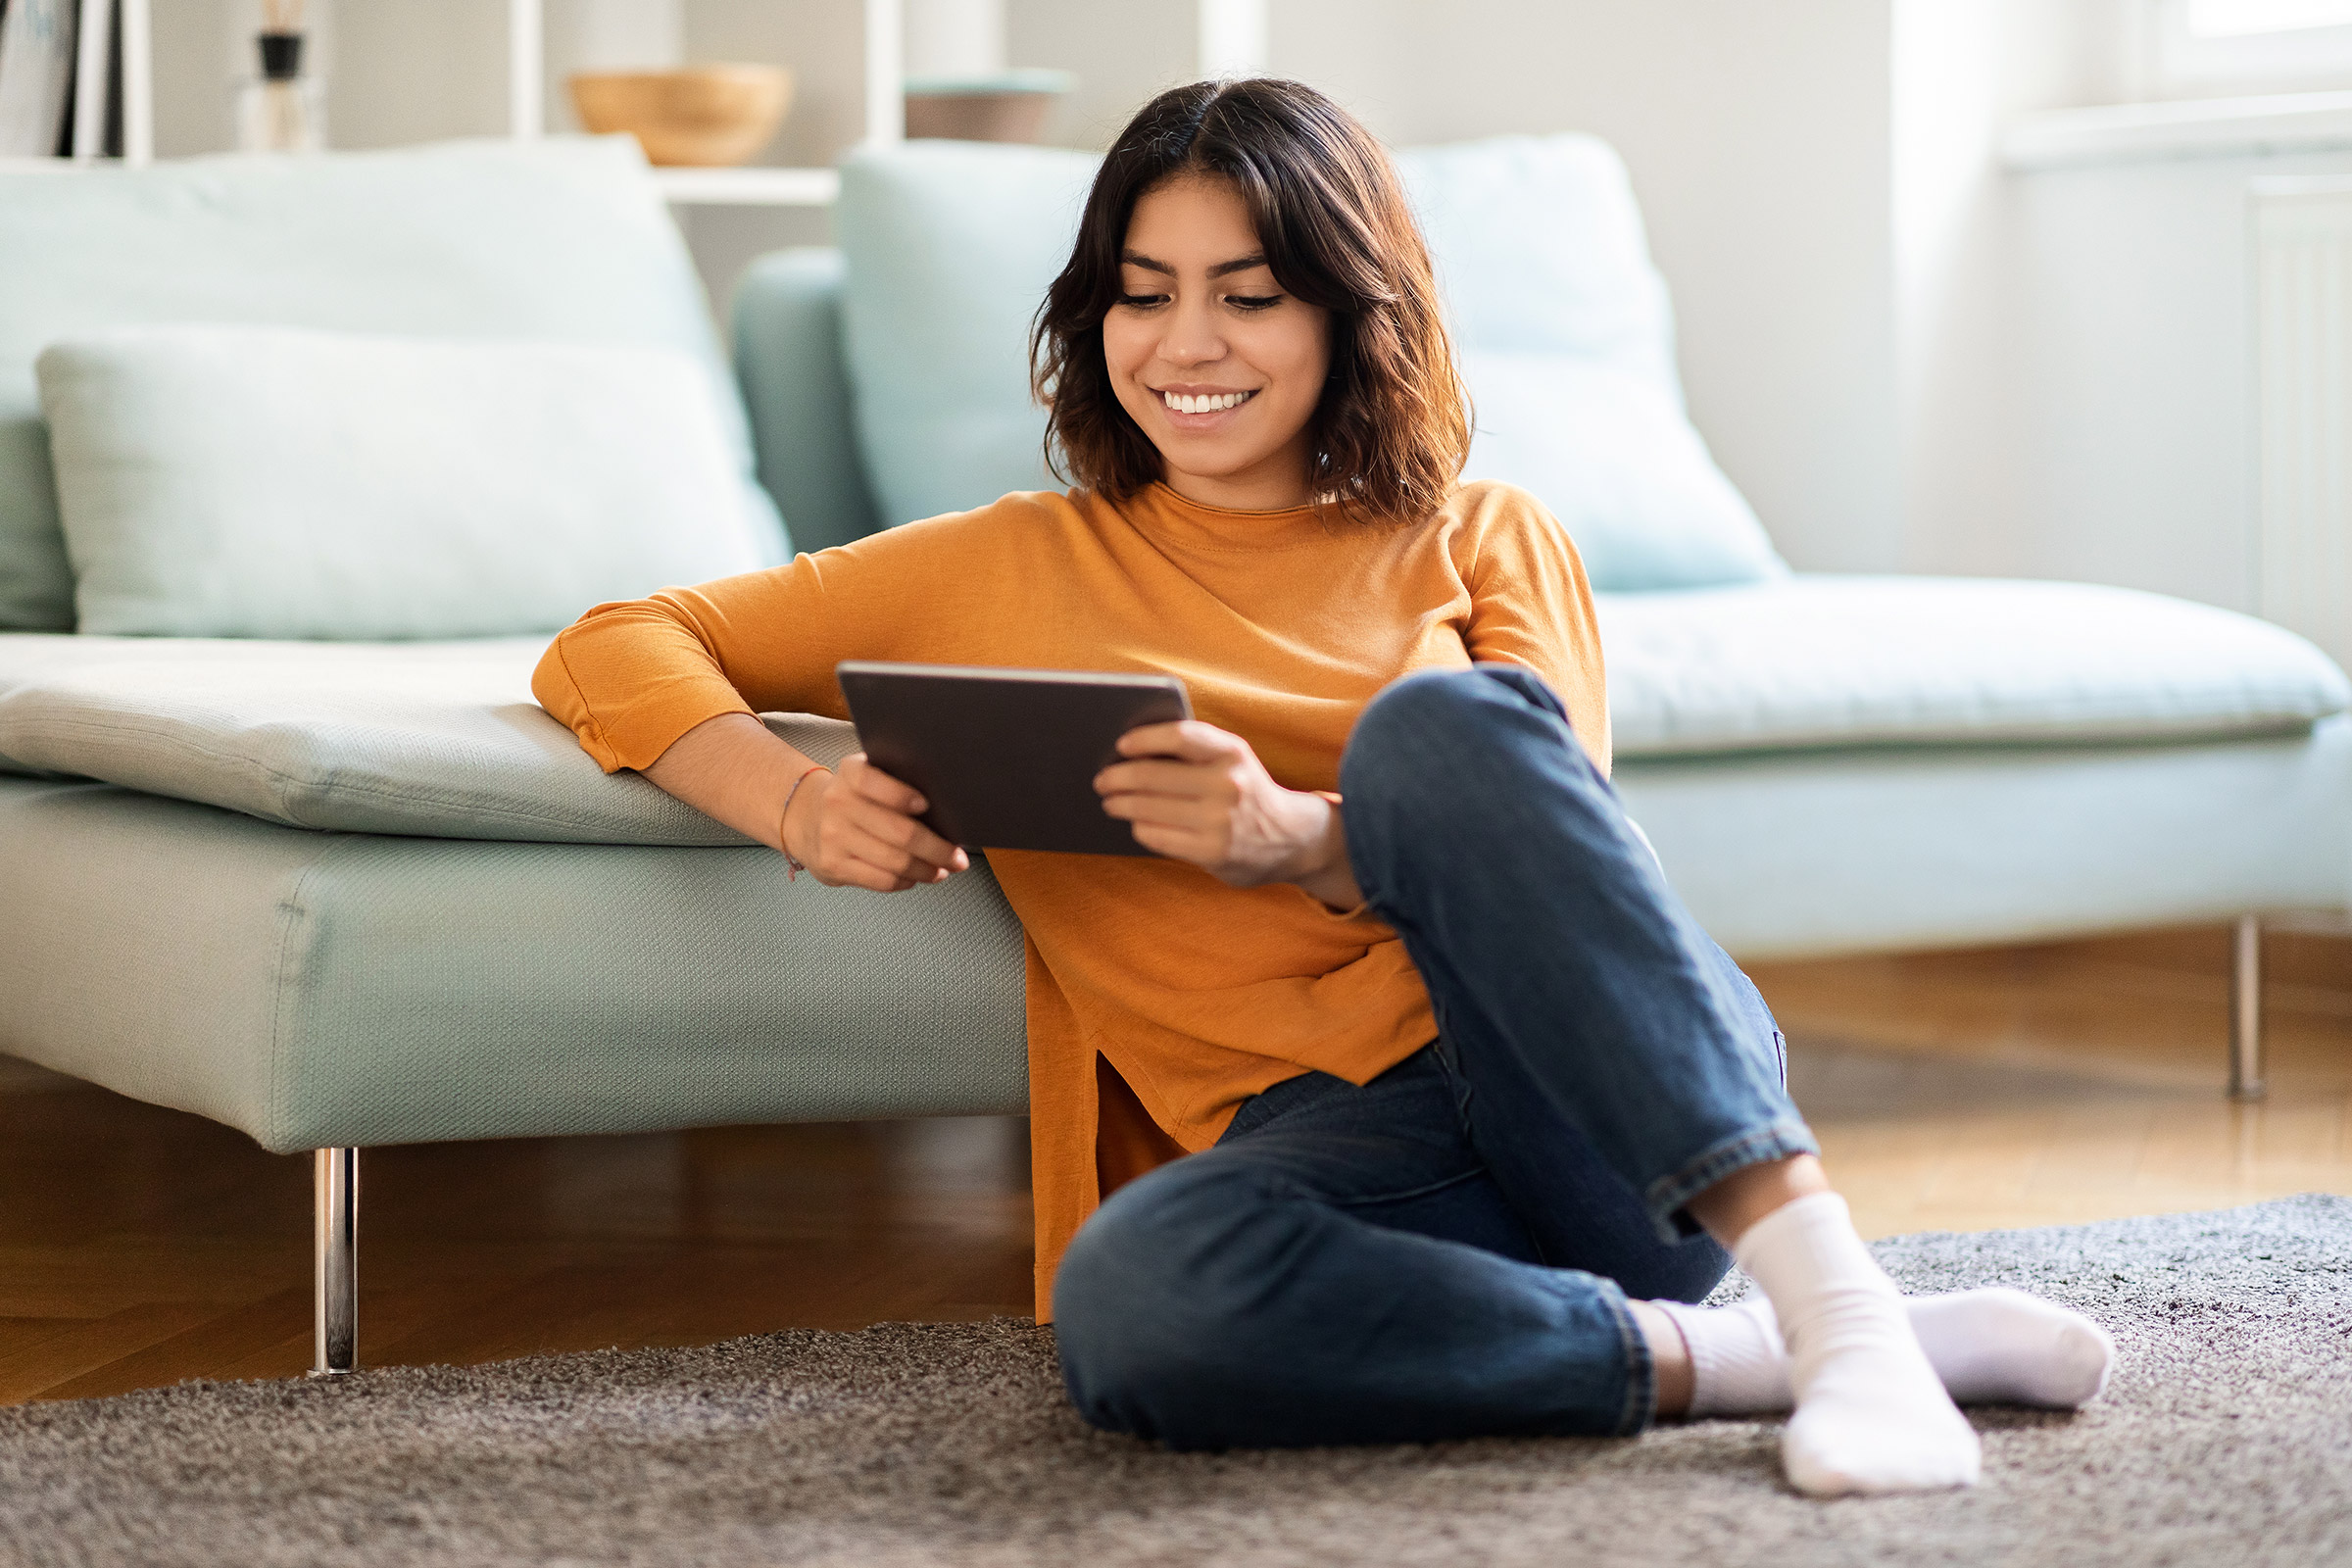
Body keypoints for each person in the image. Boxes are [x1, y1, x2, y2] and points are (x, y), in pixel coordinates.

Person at [534, 77, 2112, 1496]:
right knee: (1135, 1302)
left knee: (1452, 733)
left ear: (1349, 312)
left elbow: (1566, 850)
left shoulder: (1483, 536)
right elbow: (619, 645)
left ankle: (1829, 1290)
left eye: (1251, 294)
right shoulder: (996, 564)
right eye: (1141, 295)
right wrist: (800, 806)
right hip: (1343, 1152)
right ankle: (1769, 1360)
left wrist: (1298, 840)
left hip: (1604, 1098)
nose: (1186, 344)